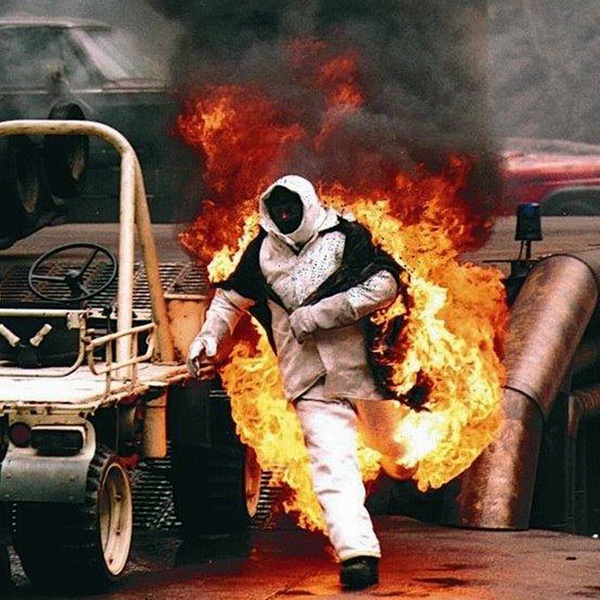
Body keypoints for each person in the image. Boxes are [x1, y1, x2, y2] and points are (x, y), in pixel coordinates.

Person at [187, 174, 411, 591]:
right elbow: (230, 299)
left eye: (293, 208)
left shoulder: (346, 236)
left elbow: (385, 285)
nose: (287, 216)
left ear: (309, 204)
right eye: (279, 210)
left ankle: (401, 477)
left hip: (368, 375)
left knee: (398, 453)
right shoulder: (261, 252)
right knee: (332, 466)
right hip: (309, 380)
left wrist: (321, 314)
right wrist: (208, 337)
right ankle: (358, 555)